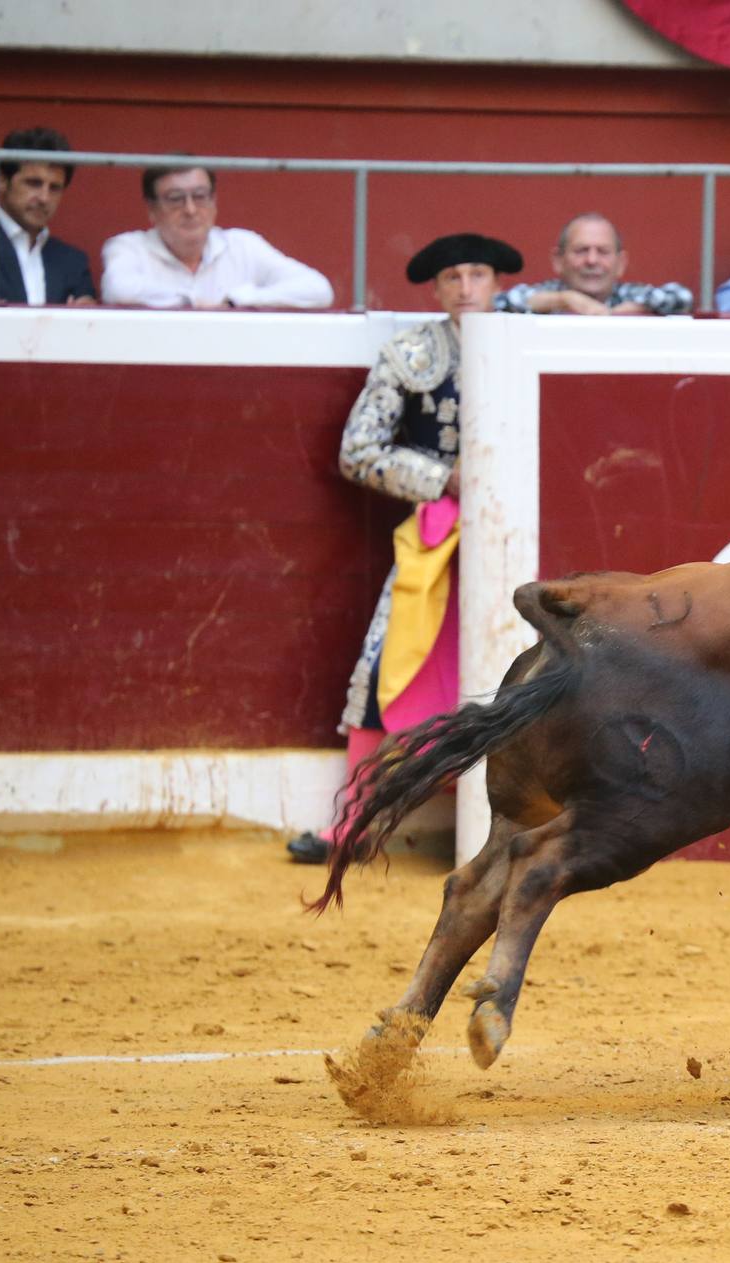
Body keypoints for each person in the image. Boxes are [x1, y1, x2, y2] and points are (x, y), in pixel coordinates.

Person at [286, 232, 522, 865]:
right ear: (436, 288)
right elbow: (357, 451)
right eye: (454, 278)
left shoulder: (533, 339)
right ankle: (356, 825)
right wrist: (441, 478)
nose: (467, 289)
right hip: (439, 542)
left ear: (497, 284)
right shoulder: (412, 355)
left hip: (525, 537)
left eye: (478, 275)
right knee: (386, 671)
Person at [101, 162, 333, 310]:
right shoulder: (128, 247)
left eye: (200, 196)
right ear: (152, 210)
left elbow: (318, 290)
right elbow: (119, 290)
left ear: (214, 204)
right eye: (175, 198)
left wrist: (235, 301)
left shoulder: (243, 245)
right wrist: (191, 302)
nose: (190, 210)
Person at [0, 126, 95, 305]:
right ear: (1, 181)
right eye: (33, 183)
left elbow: (87, 327)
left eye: (54, 188)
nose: (44, 198)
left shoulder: (73, 262)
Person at [495, 212, 691, 317]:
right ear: (558, 261)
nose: (591, 260)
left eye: (603, 252)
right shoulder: (551, 293)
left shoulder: (628, 295)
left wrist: (632, 309)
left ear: (621, 263)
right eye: (581, 250)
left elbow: (682, 297)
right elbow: (501, 302)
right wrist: (566, 300)